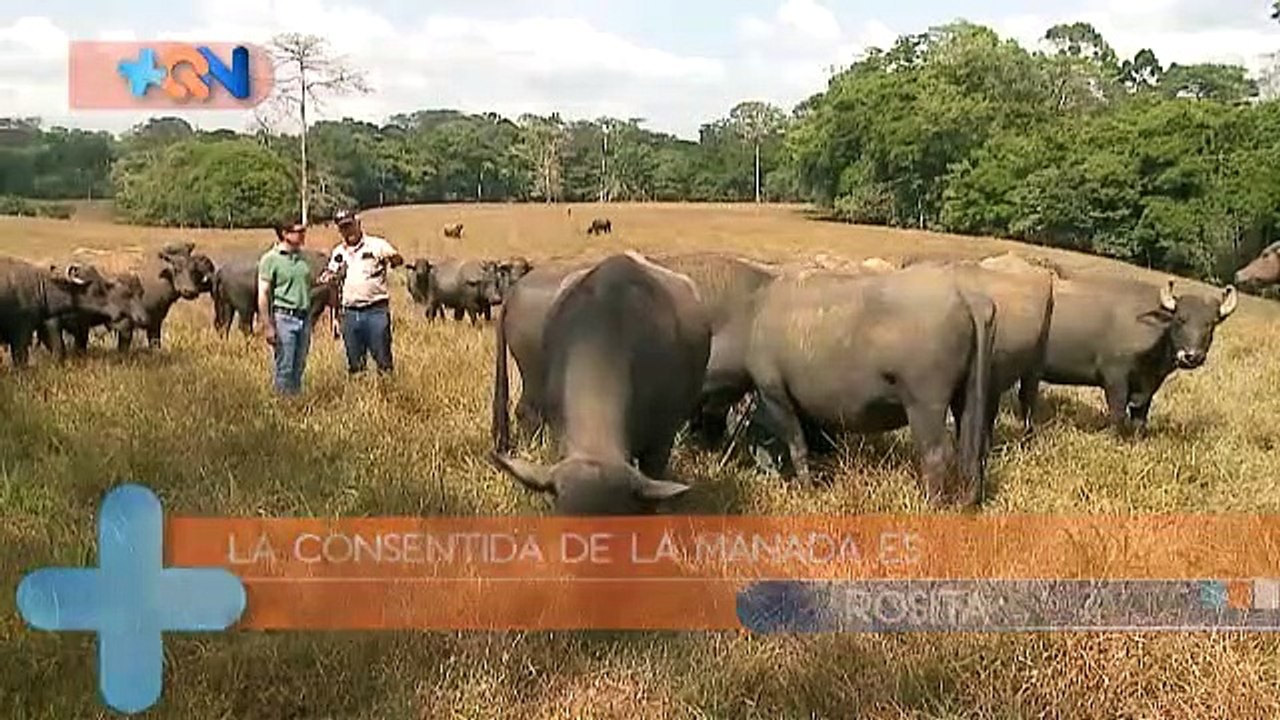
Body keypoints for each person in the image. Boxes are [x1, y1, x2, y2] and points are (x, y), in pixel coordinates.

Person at [325, 208, 403, 375]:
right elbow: (333, 284)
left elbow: (397, 260)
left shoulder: (377, 245)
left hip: (376, 311)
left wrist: (392, 258)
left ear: (358, 223)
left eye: (349, 225)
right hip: (350, 313)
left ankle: (387, 390)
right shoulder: (338, 253)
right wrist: (335, 317)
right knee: (355, 364)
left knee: (383, 360)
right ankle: (360, 390)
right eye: (343, 227)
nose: (348, 231)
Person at [257, 219, 314, 396]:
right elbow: (263, 293)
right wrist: (268, 326)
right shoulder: (270, 259)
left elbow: (307, 285)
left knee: (299, 366)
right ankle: (283, 405)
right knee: (285, 367)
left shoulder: (303, 258)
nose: (303, 235)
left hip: (304, 317)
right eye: (298, 231)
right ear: (284, 233)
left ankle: (295, 403)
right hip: (284, 318)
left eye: (304, 231)